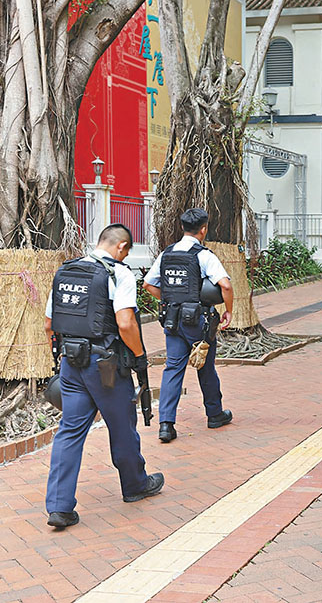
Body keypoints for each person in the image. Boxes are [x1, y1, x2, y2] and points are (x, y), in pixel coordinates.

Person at [44, 224, 163, 529]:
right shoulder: (118, 273)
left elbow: (49, 324)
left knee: (70, 430)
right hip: (105, 365)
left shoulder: (66, 272)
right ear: (122, 248)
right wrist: (139, 356)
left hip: (71, 362)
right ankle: (135, 485)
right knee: (122, 425)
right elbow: (125, 323)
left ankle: (59, 507)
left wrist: (60, 359)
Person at [144, 208, 235, 443]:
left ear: (182, 228)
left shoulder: (167, 254)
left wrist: (170, 299)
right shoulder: (203, 255)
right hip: (199, 321)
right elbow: (225, 285)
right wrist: (229, 311)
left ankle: (166, 425)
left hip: (172, 320)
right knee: (205, 366)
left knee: (173, 368)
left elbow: (148, 284)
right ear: (203, 230)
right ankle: (214, 414)